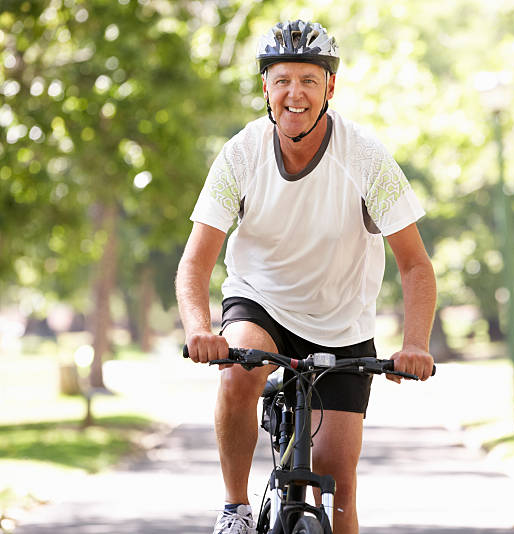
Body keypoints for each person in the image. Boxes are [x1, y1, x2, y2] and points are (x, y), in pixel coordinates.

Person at [175, 19, 436, 534]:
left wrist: (416, 344)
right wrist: (198, 330)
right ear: (266, 88)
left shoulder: (365, 157)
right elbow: (195, 262)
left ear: (329, 88)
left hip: (342, 321)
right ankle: (235, 509)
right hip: (261, 300)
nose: (295, 93)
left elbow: (415, 265)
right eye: (282, 80)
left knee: (339, 481)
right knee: (237, 373)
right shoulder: (241, 154)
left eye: (309, 80)